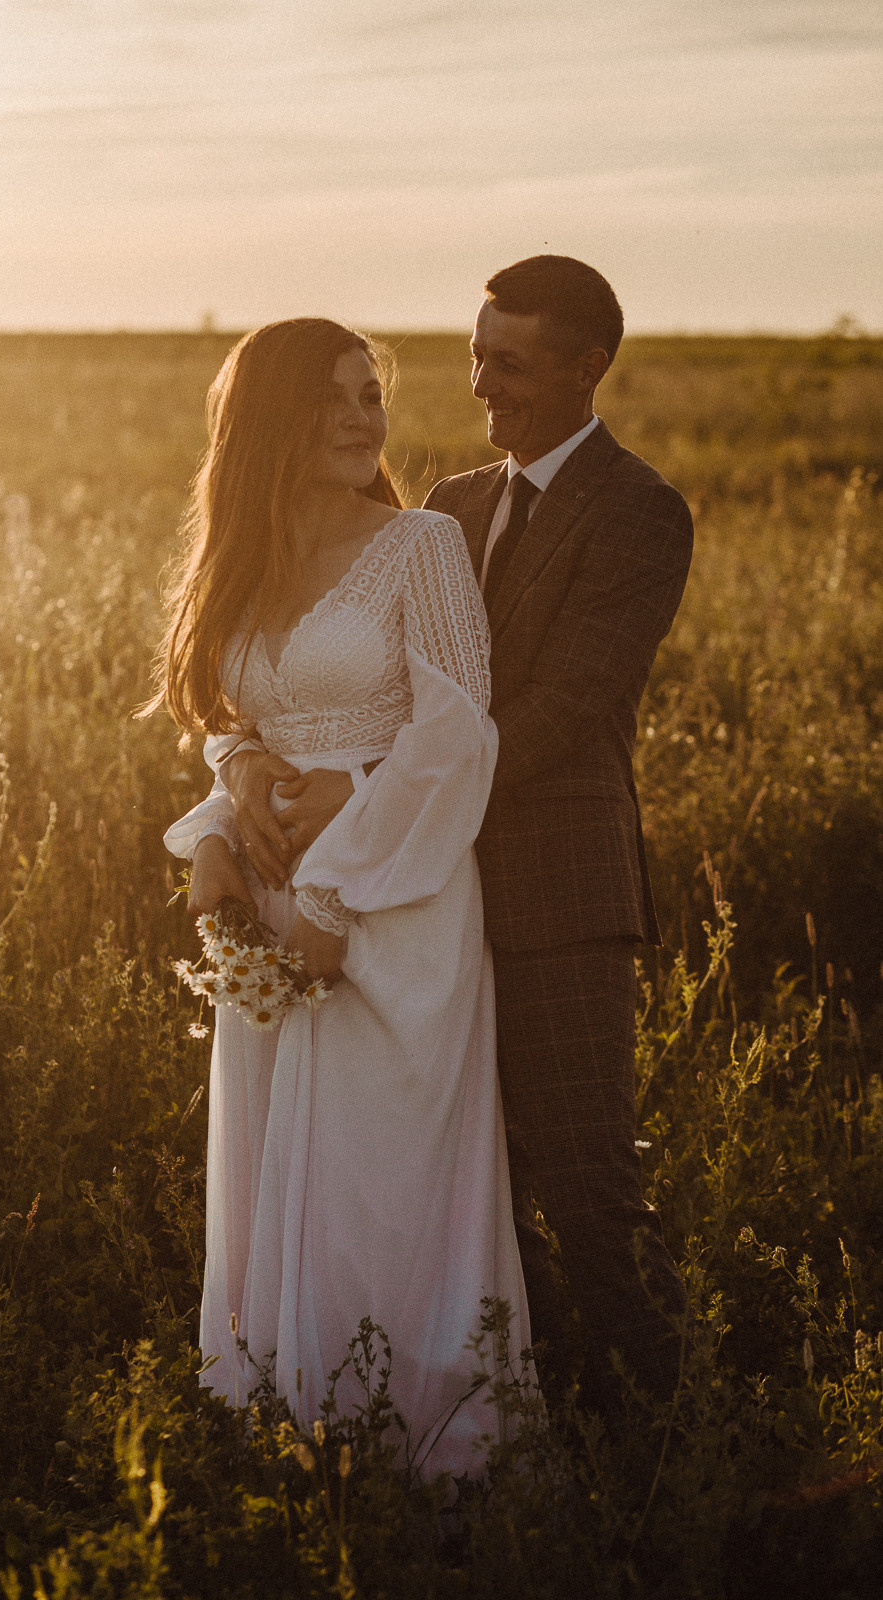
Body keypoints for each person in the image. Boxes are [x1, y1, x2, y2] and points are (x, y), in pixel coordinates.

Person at [225, 260, 694, 1418]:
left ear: (587, 367)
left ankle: (672, 1435)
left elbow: (560, 706)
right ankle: (504, 1405)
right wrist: (262, 771)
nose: (481, 383)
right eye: (476, 355)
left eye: (511, 363)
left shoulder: (637, 511)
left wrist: (364, 788)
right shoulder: (451, 501)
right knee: (463, 1182)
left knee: (584, 1178)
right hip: (413, 885)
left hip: (553, 889)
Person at [149, 317, 531, 1476]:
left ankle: (427, 1457)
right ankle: (295, 1449)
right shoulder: (240, 558)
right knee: (279, 1170)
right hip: (269, 912)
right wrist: (218, 827)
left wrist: (335, 897)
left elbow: (455, 738)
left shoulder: (419, 545)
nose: (363, 416)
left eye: (371, 393)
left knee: (379, 1179)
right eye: (333, 395)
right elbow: (238, 723)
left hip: (393, 897)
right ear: (269, 416)